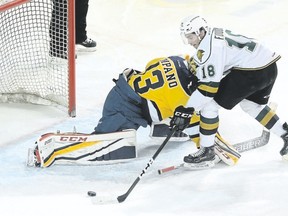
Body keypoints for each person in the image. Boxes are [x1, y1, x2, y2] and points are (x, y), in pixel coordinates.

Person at [28, 56, 240, 167]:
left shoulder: (176, 59)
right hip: (124, 108)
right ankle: (50, 147)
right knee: (108, 148)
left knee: (175, 115)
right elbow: (200, 131)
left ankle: (163, 127)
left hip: (127, 89)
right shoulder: (184, 97)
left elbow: (150, 66)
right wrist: (218, 150)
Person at [171, 15, 288, 168]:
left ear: (200, 32)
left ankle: (207, 151)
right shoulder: (214, 33)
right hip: (269, 66)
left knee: (209, 107)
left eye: (191, 36)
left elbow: (208, 90)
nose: (190, 42)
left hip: (252, 73)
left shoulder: (209, 50)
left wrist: (187, 109)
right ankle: (285, 134)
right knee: (252, 106)